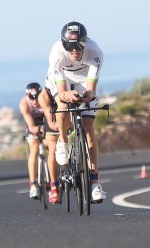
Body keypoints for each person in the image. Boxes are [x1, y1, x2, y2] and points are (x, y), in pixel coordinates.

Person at [45, 21, 106, 202]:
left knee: (88, 130)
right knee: (63, 104)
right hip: (61, 80)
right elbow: (62, 91)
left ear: (85, 43)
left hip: (83, 81)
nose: (75, 52)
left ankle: (95, 183)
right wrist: (65, 94)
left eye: (79, 47)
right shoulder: (56, 53)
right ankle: (63, 142)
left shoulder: (96, 53)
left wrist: (88, 94)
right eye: (70, 48)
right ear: (63, 45)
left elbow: (91, 88)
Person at [19, 82, 59, 201]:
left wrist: (46, 130)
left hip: (46, 120)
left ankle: (53, 182)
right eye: (32, 98)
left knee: (51, 145)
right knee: (34, 149)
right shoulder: (24, 104)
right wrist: (34, 129)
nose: (35, 101)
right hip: (34, 122)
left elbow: (50, 116)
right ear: (27, 96)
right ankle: (33, 184)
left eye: (36, 97)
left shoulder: (44, 98)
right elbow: (30, 124)